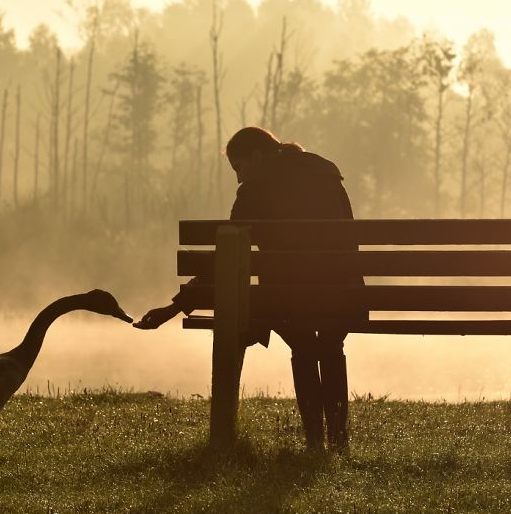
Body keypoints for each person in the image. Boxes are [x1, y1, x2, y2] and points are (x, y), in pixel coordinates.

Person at [134, 126, 362, 450]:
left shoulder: (255, 190)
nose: (239, 178)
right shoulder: (325, 172)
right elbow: (347, 243)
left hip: (288, 301)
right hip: (341, 296)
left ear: (257, 157)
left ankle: (315, 442)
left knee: (302, 343)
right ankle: (338, 443)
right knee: (329, 344)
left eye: (239, 168)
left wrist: (174, 307)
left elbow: (223, 261)